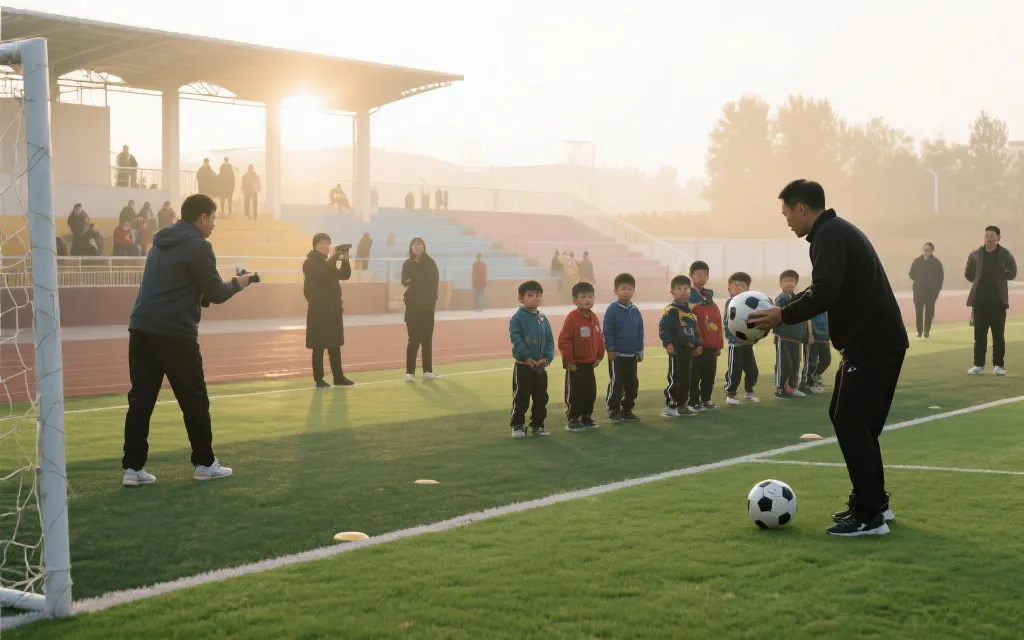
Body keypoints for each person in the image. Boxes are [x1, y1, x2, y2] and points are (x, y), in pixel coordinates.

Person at [749, 179, 908, 537]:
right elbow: (825, 287)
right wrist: (784, 307)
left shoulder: (829, 236)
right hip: (874, 342)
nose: (787, 220)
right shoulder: (834, 232)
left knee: (851, 422)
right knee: (853, 421)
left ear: (802, 208)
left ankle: (870, 517)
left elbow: (825, 292)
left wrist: (782, 315)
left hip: (873, 343)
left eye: (787, 213)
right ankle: (874, 502)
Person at [122, 194, 254, 487]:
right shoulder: (199, 246)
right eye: (214, 218)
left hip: (141, 327)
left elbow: (183, 286)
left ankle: (132, 468)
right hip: (175, 333)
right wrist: (239, 283)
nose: (214, 225)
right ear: (202, 218)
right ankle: (205, 464)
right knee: (194, 399)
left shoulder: (160, 242)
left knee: (141, 400)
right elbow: (217, 293)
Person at [303, 233, 354, 388]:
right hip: (318, 310)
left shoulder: (328, 263)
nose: (325, 246)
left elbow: (344, 275)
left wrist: (344, 259)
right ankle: (319, 379)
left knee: (334, 344)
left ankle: (338, 377)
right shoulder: (309, 263)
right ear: (315, 246)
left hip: (333, 309)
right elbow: (322, 273)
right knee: (318, 346)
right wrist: (334, 257)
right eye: (322, 243)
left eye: (328, 243)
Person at [965, 226, 1017, 376]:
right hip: (980, 301)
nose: (989, 238)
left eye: (992, 236)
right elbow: (968, 273)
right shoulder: (976, 254)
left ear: (999, 238)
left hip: (998, 301)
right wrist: (978, 280)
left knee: (998, 335)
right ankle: (978, 365)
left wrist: (1000, 278)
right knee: (979, 334)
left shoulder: (1005, 254)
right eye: (986, 235)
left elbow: (1012, 272)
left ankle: (998, 365)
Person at [509, 280, 555, 438]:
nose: (535, 298)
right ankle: (517, 425)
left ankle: (538, 424)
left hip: (540, 367)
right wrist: (527, 358)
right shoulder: (517, 318)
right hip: (523, 366)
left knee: (541, 397)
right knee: (521, 396)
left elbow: (549, 340)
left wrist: (547, 358)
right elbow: (517, 341)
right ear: (521, 298)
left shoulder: (542, 318)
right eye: (530, 295)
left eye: (538, 295)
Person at [558, 281, 605, 432]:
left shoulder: (594, 317)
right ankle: (573, 418)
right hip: (576, 365)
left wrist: (599, 356)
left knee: (590, 392)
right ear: (575, 300)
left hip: (590, 364)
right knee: (575, 393)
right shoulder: (572, 318)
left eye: (590, 296)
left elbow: (599, 337)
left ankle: (586, 417)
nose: (587, 299)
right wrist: (569, 361)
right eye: (583, 296)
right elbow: (564, 340)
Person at [603, 272, 644, 422]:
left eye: (630, 289)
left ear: (633, 290)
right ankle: (613, 409)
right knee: (617, 383)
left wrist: (639, 350)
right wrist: (610, 348)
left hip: (632, 355)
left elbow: (640, 331)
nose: (626, 292)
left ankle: (627, 409)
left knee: (632, 383)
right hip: (617, 355)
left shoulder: (635, 311)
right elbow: (607, 331)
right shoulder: (612, 309)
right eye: (623, 288)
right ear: (615, 291)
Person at [659, 275, 701, 418]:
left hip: (688, 350)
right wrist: (668, 343)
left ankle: (683, 405)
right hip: (676, 350)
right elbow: (664, 328)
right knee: (675, 378)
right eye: (679, 289)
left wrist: (697, 344)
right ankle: (671, 406)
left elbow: (695, 330)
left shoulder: (690, 312)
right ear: (672, 292)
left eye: (686, 289)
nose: (684, 292)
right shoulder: (671, 310)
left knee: (686, 378)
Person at [687, 261, 724, 411]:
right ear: (691, 276)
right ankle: (694, 401)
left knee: (709, 373)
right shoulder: (689, 296)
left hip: (710, 344)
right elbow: (692, 322)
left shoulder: (708, 296)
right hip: (698, 344)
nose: (702, 277)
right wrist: (696, 343)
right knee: (695, 374)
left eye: (705, 275)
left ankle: (706, 399)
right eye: (698, 274)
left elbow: (715, 320)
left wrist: (718, 344)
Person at [402, 237, 440, 381]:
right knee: (413, 339)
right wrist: (410, 281)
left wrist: (432, 302)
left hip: (427, 307)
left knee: (427, 340)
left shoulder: (430, 263)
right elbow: (404, 280)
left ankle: (427, 370)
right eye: (414, 245)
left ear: (423, 247)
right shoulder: (408, 263)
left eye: (419, 244)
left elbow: (433, 283)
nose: (417, 247)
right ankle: (409, 372)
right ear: (411, 248)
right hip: (412, 307)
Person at [723, 272, 759, 405]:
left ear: (748, 288)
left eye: (742, 286)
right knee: (734, 370)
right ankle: (731, 395)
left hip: (747, 342)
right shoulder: (730, 303)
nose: (738, 288)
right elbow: (729, 322)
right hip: (735, 343)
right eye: (735, 285)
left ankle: (749, 392)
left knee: (752, 370)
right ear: (729, 288)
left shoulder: (750, 303)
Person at [773, 270, 807, 398]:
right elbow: (776, 315)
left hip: (796, 337)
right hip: (783, 336)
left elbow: (803, 317)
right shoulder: (781, 299)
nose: (789, 283)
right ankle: (780, 388)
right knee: (784, 364)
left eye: (792, 281)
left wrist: (804, 333)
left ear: (796, 283)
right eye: (786, 281)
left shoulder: (798, 299)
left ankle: (792, 387)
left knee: (795, 364)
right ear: (781, 283)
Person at [909, 242, 944, 339]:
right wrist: (919, 282)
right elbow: (911, 274)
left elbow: (940, 278)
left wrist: (937, 290)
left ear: (932, 251)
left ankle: (927, 331)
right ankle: (919, 331)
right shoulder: (917, 261)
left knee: (929, 312)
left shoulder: (936, 263)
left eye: (928, 249)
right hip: (919, 291)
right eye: (924, 249)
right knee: (918, 312)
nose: (926, 251)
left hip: (931, 293)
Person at [801, 312, 832, 394]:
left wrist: (829, 336)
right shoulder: (814, 303)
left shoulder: (827, 307)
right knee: (811, 363)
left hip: (824, 338)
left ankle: (815, 377)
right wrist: (810, 334)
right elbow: (808, 318)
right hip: (813, 338)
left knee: (826, 360)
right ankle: (806, 384)